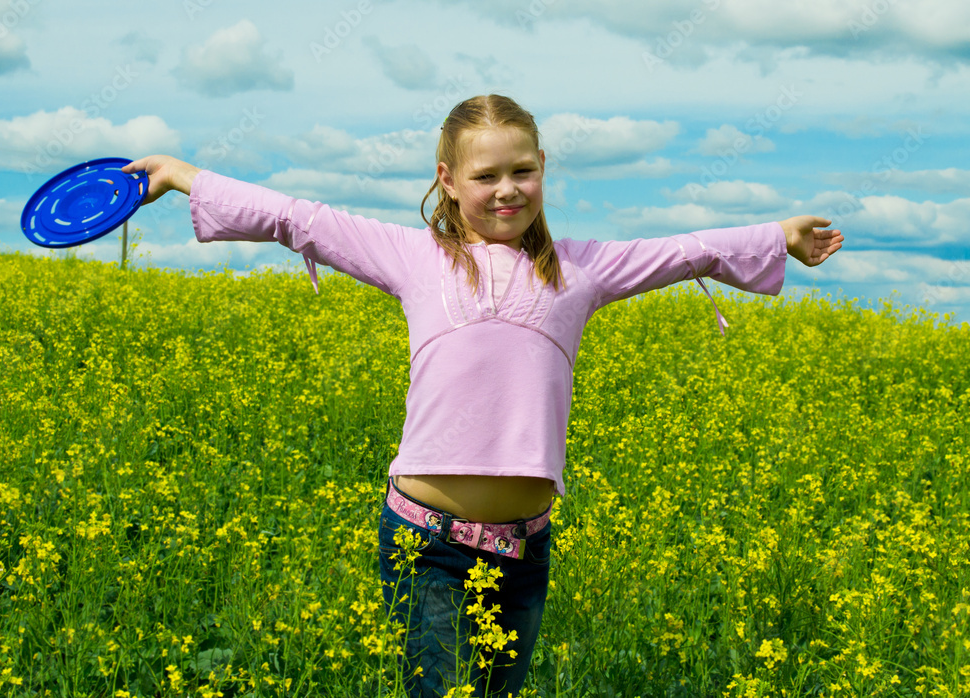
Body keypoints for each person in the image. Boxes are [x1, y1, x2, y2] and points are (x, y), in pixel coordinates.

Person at [124, 93, 843, 697]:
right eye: (487, 175)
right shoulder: (414, 257)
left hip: (525, 551)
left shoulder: (583, 268)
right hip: (426, 545)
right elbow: (299, 219)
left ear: (542, 171)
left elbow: (689, 249)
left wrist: (779, 234)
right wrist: (183, 175)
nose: (507, 189)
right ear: (449, 180)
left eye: (523, 171)